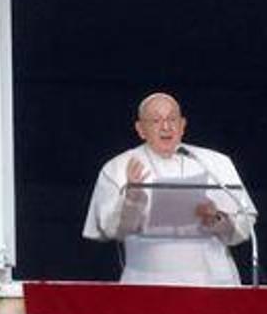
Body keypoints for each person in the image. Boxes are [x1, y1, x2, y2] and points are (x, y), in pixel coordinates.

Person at [83, 92, 256, 286]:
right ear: (140, 129)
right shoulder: (118, 167)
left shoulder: (215, 163)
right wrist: (132, 200)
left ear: (182, 125)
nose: (166, 127)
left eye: (172, 119)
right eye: (156, 120)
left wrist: (216, 218)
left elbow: (243, 227)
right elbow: (111, 230)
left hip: (212, 280)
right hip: (148, 281)